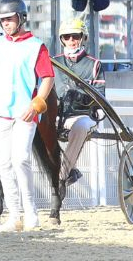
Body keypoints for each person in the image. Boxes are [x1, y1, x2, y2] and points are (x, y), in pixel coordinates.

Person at [0, 0, 53, 232]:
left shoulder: (36, 45)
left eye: (9, 19)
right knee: (3, 163)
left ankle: (31, 214)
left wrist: (38, 101)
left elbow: (47, 76)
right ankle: (14, 216)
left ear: (21, 18)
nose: (6, 24)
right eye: (3, 20)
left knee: (21, 159)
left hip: (24, 112)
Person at [50, 14, 108, 185]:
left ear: (83, 38)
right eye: (67, 37)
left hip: (84, 116)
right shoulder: (54, 62)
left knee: (80, 126)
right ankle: (68, 170)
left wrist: (82, 98)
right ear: (62, 40)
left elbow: (100, 94)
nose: (71, 40)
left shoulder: (94, 64)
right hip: (58, 115)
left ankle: (62, 175)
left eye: (75, 36)